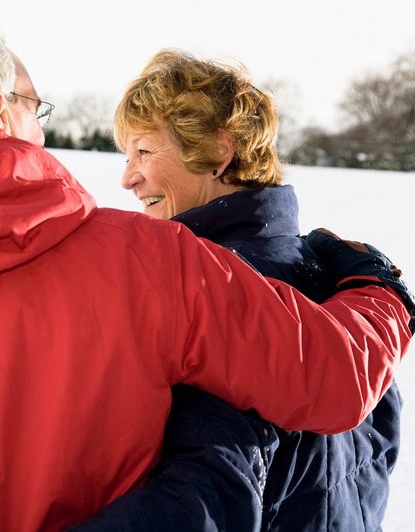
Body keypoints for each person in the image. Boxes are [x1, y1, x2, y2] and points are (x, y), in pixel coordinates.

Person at [0, 21, 412, 531]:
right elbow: (331, 380)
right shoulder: (150, 259)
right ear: (3, 110)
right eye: (36, 105)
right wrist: (382, 292)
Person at [71, 50, 410, 531]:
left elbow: (204, 498)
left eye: (144, 152)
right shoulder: (336, 286)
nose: (127, 178)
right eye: (126, 156)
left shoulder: (219, 297)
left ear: (217, 152)